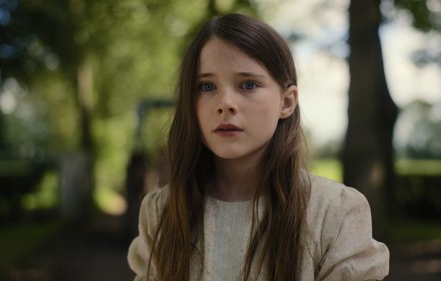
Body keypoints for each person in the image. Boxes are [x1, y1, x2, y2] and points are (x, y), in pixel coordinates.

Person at [127, 13, 390, 281]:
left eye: (248, 84)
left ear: (287, 102)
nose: (225, 103)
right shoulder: (162, 213)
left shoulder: (334, 213)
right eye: (206, 86)